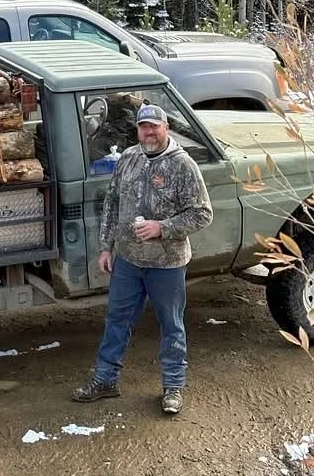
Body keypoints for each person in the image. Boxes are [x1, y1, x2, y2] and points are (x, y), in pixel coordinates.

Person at [72, 103, 213, 415]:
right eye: (143, 126)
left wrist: (162, 228)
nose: (149, 132)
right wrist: (106, 246)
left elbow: (203, 213)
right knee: (116, 320)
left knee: (171, 324)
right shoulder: (129, 157)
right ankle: (105, 380)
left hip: (167, 263)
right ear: (137, 129)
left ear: (166, 128)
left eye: (155, 126)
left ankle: (173, 387)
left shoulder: (182, 165)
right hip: (129, 260)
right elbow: (112, 201)